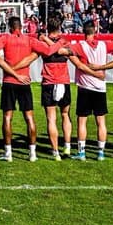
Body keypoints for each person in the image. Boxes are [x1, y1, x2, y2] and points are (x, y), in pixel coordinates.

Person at [0, 16, 41, 162]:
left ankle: (8, 153)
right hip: (24, 81)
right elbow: (45, 51)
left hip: (10, 81)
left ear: (10, 27)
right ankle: (32, 154)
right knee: (29, 117)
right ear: (21, 26)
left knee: (7, 117)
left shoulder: (6, 38)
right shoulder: (29, 40)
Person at [67, 19, 113, 161]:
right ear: (95, 31)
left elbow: (64, 50)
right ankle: (101, 153)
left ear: (83, 31)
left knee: (82, 121)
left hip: (85, 87)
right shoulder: (103, 45)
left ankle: (81, 152)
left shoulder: (80, 46)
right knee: (101, 121)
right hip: (100, 87)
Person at [35, 21, 74, 161]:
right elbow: (65, 52)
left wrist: (45, 39)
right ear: (59, 27)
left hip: (49, 82)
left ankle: (56, 151)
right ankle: (67, 147)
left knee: (51, 118)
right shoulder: (64, 41)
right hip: (63, 81)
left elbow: (53, 51)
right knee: (65, 114)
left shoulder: (43, 42)